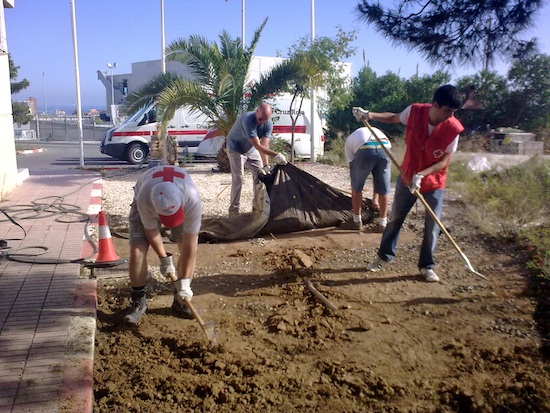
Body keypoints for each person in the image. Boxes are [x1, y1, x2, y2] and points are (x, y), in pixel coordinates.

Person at [353, 84, 464, 283]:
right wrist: (369, 115)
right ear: (436, 105)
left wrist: (422, 175)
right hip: (407, 176)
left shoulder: (453, 129)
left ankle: (426, 266)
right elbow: (394, 117)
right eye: (448, 111)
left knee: (432, 225)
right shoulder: (414, 112)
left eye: (454, 112)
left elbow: (443, 161)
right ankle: (384, 257)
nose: (450, 116)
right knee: (395, 218)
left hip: (434, 182)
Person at [124, 165, 202, 325]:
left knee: (184, 245)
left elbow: (190, 245)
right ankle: (138, 301)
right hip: (146, 198)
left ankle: (181, 300)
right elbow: (151, 230)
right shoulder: (144, 198)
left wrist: (185, 283)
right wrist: (164, 258)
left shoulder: (191, 198)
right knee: (137, 252)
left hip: (181, 201)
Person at [226, 102, 287, 216]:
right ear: (257, 111)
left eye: (264, 119)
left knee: (261, 175)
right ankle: (233, 212)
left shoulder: (268, 123)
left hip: (250, 149)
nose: (261, 121)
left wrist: (266, 165)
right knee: (238, 178)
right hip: (235, 148)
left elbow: (265, 145)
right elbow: (258, 146)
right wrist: (277, 155)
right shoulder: (248, 120)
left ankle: (257, 209)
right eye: (260, 119)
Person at [341, 126, 391, 232]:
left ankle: (356, 221)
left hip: (365, 147)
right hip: (385, 146)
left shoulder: (350, 140)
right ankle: (383, 224)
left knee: (356, 187)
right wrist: (374, 200)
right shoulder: (376, 131)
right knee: (383, 187)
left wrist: (357, 182)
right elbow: (376, 177)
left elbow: (353, 168)